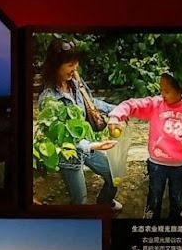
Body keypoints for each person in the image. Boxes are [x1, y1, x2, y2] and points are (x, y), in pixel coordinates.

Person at [107, 73, 182, 220]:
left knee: (178, 200)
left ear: (180, 90)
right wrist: (115, 116)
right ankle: (149, 230)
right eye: (161, 90)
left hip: (180, 165)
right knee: (154, 198)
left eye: (167, 91)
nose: (162, 94)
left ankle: (175, 231)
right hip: (157, 163)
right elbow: (132, 105)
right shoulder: (155, 104)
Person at [35, 39, 121, 208]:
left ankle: (105, 201)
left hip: (89, 145)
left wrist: (117, 110)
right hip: (70, 155)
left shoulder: (74, 83)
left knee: (113, 175)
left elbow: (90, 102)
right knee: (80, 200)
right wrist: (94, 146)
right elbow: (61, 137)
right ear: (55, 66)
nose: (74, 69)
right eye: (69, 65)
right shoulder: (49, 99)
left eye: (76, 64)